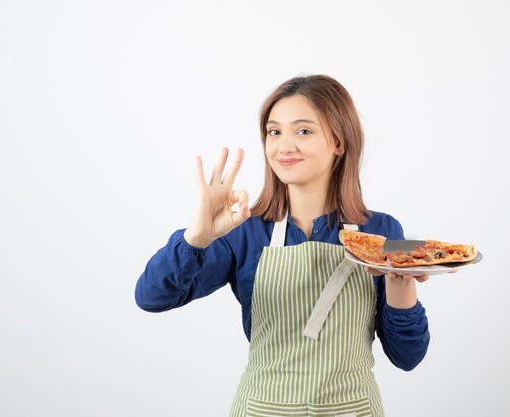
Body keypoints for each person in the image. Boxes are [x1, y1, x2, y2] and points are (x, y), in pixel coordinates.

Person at [135, 74, 430, 416]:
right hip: (262, 409)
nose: (284, 146)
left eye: (303, 131)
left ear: (339, 142)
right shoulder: (242, 230)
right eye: (274, 132)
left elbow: (407, 356)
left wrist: (401, 279)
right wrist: (197, 237)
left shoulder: (381, 230)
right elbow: (151, 297)